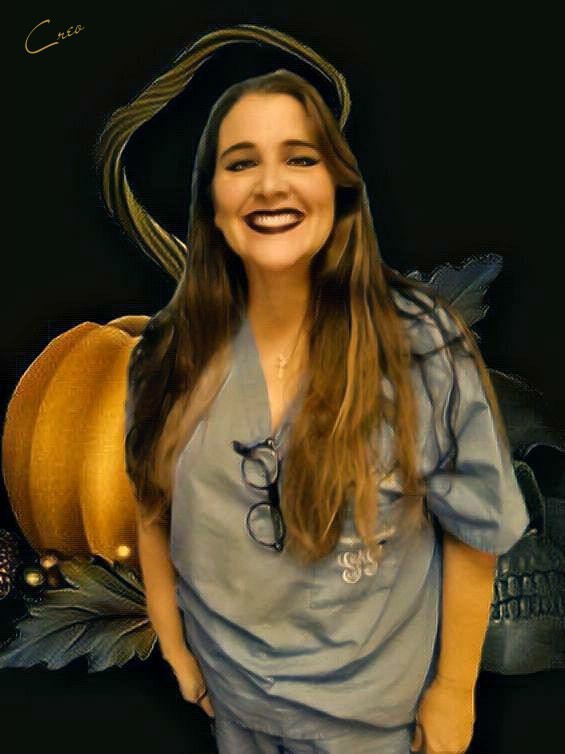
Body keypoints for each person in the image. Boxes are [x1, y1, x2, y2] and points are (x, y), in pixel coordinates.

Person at [121, 68, 530, 754]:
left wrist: (454, 689)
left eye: (299, 158)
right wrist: (178, 652)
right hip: (236, 712)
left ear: (340, 189)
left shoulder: (418, 342)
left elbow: (474, 526)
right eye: (241, 163)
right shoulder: (168, 352)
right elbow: (152, 509)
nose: (270, 184)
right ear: (211, 202)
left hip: (373, 726)